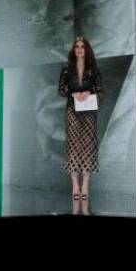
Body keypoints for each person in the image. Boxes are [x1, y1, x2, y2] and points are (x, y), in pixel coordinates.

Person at [57, 36, 104, 201]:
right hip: (72, 109)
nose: (79, 49)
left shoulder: (94, 69)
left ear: (86, 49)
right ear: (73, 49)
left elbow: (101, 92)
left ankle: (85, 185)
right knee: (73, 145)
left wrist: (88, 93)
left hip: (89, 110)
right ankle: (75, 185)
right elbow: (61, 90)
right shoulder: (66, 69)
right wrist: (73, 92)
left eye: (82, 46)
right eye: (76, 46)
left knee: (87, 146)